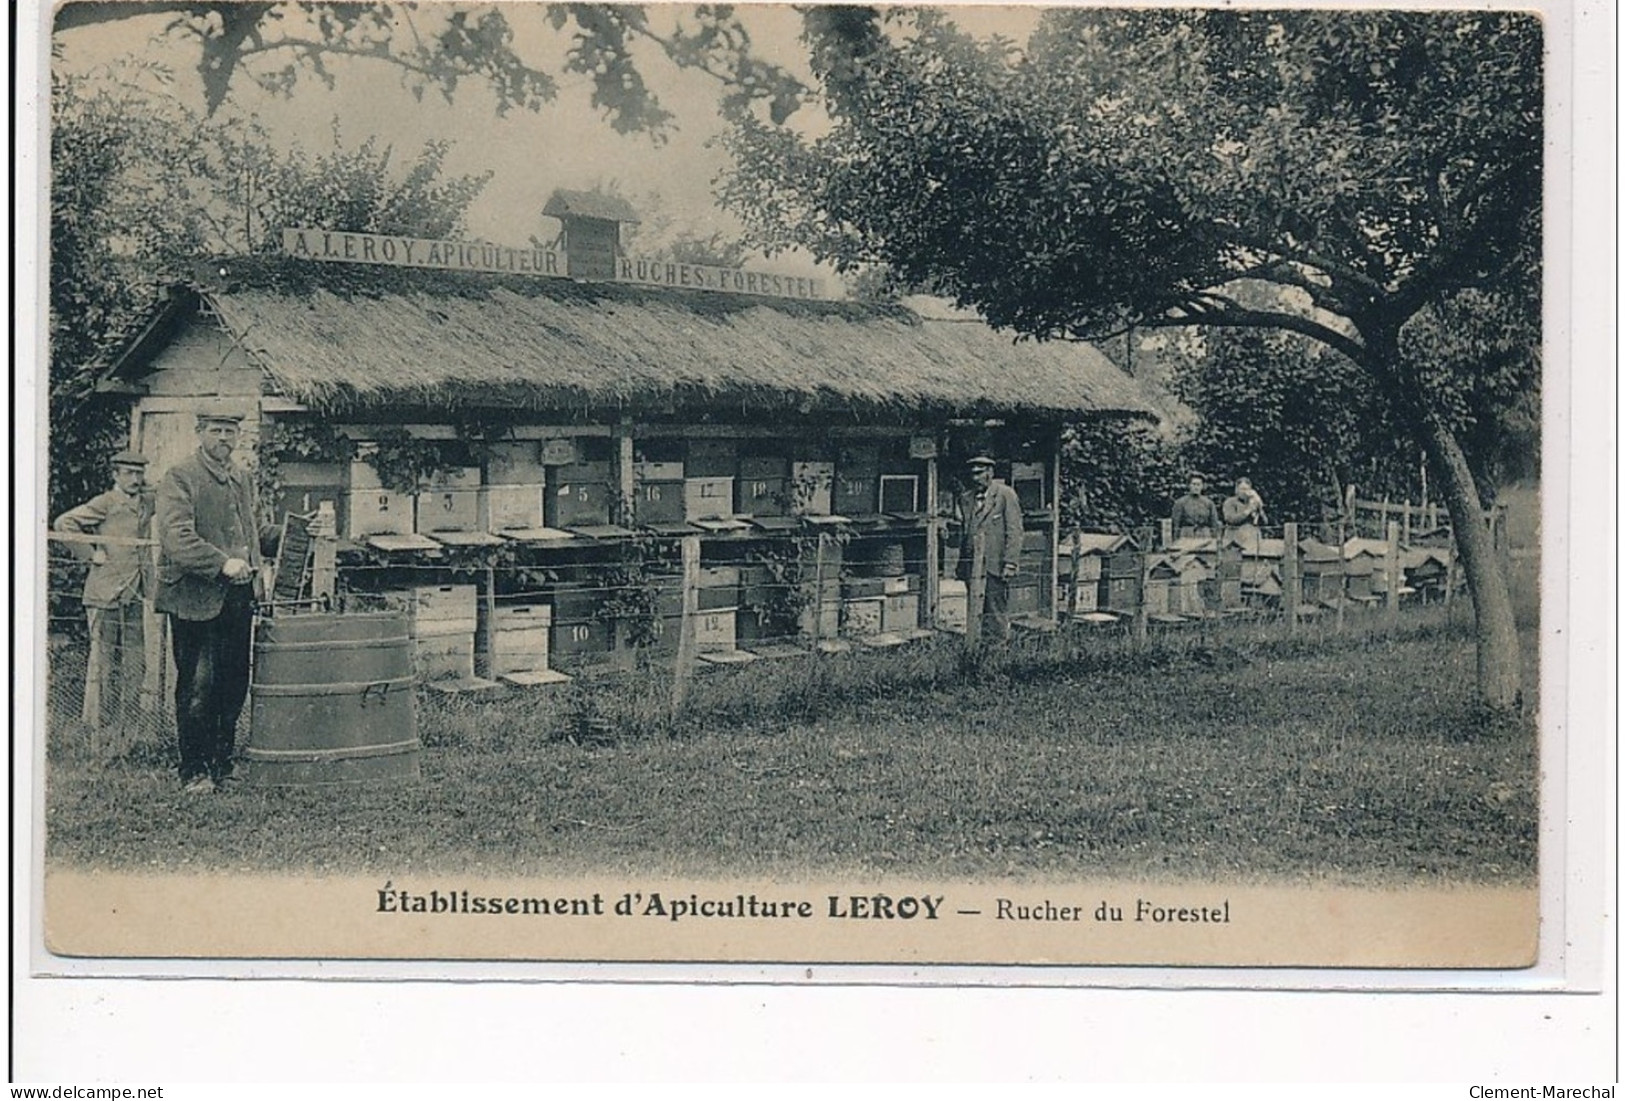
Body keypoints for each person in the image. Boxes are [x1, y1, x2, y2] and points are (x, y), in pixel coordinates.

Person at [155, 412, 282, 793]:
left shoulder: (241, 478)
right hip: (196, 597)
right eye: (216, 431)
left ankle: (222, 764)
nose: (224, 438)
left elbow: (254, 532)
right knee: (198, 685)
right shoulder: (180, 476)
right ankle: (194, 770)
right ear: (200, 433)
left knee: (232, 683)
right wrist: (222, 563)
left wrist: (298, 530)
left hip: (239, 598)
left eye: (231, 432)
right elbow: (177, 538)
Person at [54, 450, 155, 731]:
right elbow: (64, 523)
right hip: (105, 593)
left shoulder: (147, 501)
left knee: (136, 662)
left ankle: (129, 726)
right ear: (115, 475)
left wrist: (145, 485)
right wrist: (90, 553)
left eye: (139, 473)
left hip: (135, 592)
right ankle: (96, 726)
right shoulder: (105, 502)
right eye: (129, 473)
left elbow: (164, 490)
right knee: (104, 663)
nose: (136, 479)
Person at [956, 454, 1024, 643]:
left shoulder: (1005, 495)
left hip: (995, 564)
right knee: (975, 608)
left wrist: (1010, 563)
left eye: (979, 473)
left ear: (990, 473)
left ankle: (998, 649)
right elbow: (963, 530)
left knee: (995, 610)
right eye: (973, 474)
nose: (975, 478)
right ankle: (976, 648)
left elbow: (1015, 531)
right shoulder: (966, 498)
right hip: (971, 564)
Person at [1170, 474, 1221, 541]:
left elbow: (1214, 523)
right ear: (1189, 486)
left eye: (1198, 484)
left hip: (1204, 535)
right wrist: (1176, 540)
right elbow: (1176, 524)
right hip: (1186, 535)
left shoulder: (1209, 503)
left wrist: (1214, 539)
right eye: (1194, 484)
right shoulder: (1180, 502)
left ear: (1202, 486)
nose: (1196, 487)